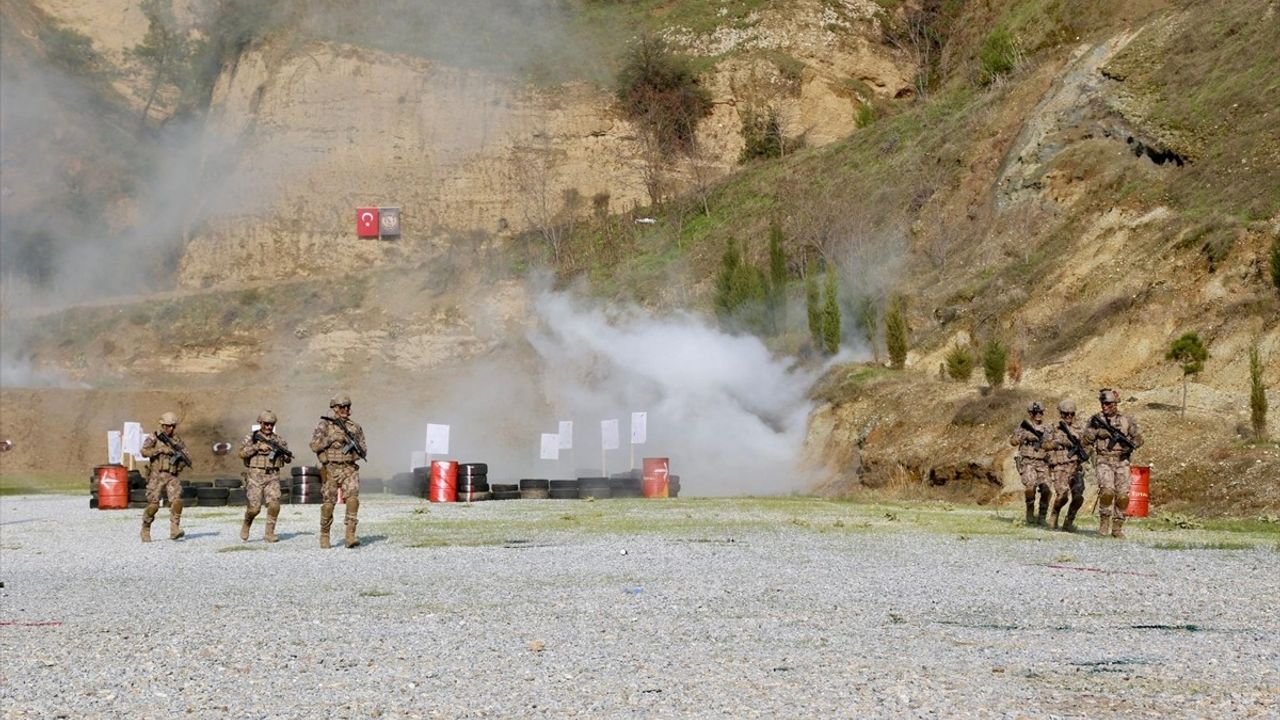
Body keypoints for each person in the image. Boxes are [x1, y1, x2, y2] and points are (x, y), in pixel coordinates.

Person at [1083, 388, 1144, 538]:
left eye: (1108, 404)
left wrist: (1131, 444)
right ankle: (1104, 524)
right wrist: (1097, 433)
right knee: (1107, 491)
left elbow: (1138, 438)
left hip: (1122, 461)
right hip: (1103, 459)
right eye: (1103, 403)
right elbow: (1085, 440)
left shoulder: (1126, 420)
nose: (1105, 406)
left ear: (1115, 404)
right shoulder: (1095, 420)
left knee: (1123, 495)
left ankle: (1117, 527)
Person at [309, 394, 367, 549]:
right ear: (334, 408)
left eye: (347, 406)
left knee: (353, 499)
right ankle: (325, 534)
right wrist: (331, 439)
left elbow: (363, 451)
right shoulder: (324, 426)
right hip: (330, 469)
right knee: (328, 503)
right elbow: (314, 446)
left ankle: (350, 535)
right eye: (342, 406)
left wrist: (350, 444)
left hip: (349, 468)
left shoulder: (355, 427)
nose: (345, 409)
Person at [237, 410, 292, 543]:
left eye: (271, 424)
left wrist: (282, 454)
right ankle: (247, 522)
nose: (269, 427)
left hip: (272, 476)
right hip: (255, 477)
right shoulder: (251, 438)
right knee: (254, 508)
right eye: (266, 424)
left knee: (274, 505)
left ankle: (269, 533)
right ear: (260, 423)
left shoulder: (278, 440)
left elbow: (288, 459)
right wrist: (257, 447)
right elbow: (242, 453)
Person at [138, 411, 190, 542]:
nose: (171, 429)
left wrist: (180, 461)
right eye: (168, 426)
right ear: (162, 425)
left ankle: (174, 529)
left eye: (173, 426)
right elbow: (144, 451)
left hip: (172, 475)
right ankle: (145, 527)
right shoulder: (154, 437)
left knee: (177, 501)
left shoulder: (177, 441)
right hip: (156, 475)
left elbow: (185, 456)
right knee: (153, 505)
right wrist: (159, 450)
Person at [1042, 400, 1087, 532]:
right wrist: (1058, 443)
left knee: (1078, 496)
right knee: (1062, 496)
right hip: (1059, 466)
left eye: (1071, 414)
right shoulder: (1052, 427)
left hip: (1075, 466)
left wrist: (1084, 452)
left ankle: (1069, 521)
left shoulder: (1080, 428)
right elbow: (1044, 445)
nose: (1068, 417)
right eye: (1065, 414)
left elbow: (1088, 444)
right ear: (1061, 413)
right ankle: (1055, 513)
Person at [1009, 401, 1051, 525]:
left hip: (1043, 462)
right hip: (1027, 461)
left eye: (1040, 412)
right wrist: (1024, 436)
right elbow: (1012, 441)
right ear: (1030, 413)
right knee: (1030, 487)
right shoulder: (1023, 427)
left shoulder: (1048, 428)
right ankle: (1030, 510)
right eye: (1035, 412)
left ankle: (1042, 516)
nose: (1038, 414)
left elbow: (1052, 444)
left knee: (1046, 490)